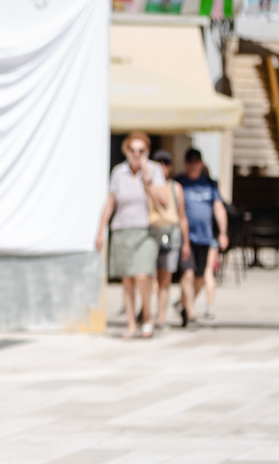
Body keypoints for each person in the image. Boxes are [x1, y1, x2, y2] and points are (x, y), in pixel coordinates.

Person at [96, 131, 172, 339]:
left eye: (141, 150)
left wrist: (147, 179)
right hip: (121, 229)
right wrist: (101, 231)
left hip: (146, 230)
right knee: (127, 280)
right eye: (133, 150)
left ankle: (147, 316)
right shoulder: (118, 172)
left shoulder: (154, 170)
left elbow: (164, 201)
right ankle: (131, 324)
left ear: (147, 152)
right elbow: (110, 202)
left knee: (143, 275)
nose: (137, 154)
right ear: (126, 151)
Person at [176, 148, 229, 321]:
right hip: (184, 238)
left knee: (200, 277)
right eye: (190, 161)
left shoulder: (210, 184)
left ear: (201, 163)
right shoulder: (179, 183)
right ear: (185, 163)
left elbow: (219, 208)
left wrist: (222, 232)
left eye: (196, 161)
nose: (193, 165)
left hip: (204, 237)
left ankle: (182, 303)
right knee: (188, 274)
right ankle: (190, 313)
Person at [150, 150, 193, 329]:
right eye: (159, 163)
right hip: (150, 233)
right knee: (149, 278)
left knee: (165, 280)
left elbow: (182, 216)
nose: (162, 167)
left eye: (166, 163)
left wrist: (186, 243)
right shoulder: (147, 184)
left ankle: (161, 318)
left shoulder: (176, 188)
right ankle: (147, 314)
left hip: (171, 234)